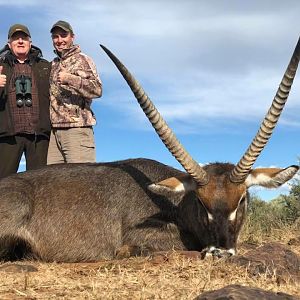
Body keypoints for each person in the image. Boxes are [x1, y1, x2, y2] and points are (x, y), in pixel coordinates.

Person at [0, 24, 51, 179]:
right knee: (3, 184)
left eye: (24, 38)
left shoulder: (46, 66)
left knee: (40, 185)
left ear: (30, 42)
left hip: (39, 136)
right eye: (16, 38)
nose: (20, 41)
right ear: (9, 44)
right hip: (8, 136)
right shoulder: (0, 66)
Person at [47, 20, 102, 164]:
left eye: (63, 35)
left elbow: (97, 90)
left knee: (81, 183)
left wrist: (71, 79)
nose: (59, 40)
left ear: (72, 37)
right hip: (54, 133)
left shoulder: (83, 59)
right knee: (53, 183)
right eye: (55, 37)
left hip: (77, 130)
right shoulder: (53, 64)